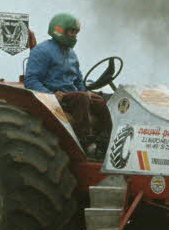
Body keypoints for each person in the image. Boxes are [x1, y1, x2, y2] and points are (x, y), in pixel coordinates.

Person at [23, 13, 110, 153]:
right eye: (71, 31)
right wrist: (51, 95)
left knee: (100, 100)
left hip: (72, 95)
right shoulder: (42, 51)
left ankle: (107, 141)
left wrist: (86, 91)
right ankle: (86, 142)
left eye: (76, 32)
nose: (74, 36)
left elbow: (78, 80)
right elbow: (31, 80)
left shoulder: (71, 53)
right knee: (81, 97)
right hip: (56, 97)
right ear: (59, 30)